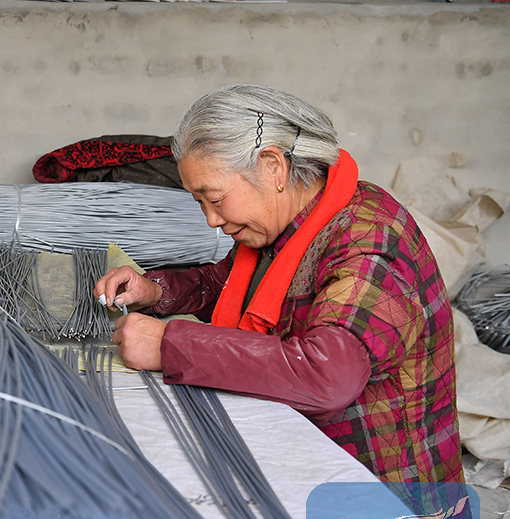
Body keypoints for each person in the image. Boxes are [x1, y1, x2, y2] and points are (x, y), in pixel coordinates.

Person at [94, 83, 462, 487]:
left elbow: (328, 376)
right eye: (199, 203)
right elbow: (227, 285)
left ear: (273, 167)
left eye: (214, 198)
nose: (211, 220)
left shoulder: (368, 240)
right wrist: (155, 291)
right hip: (310, 463)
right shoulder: (286, 223)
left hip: (385, 489)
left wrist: (171, 345)